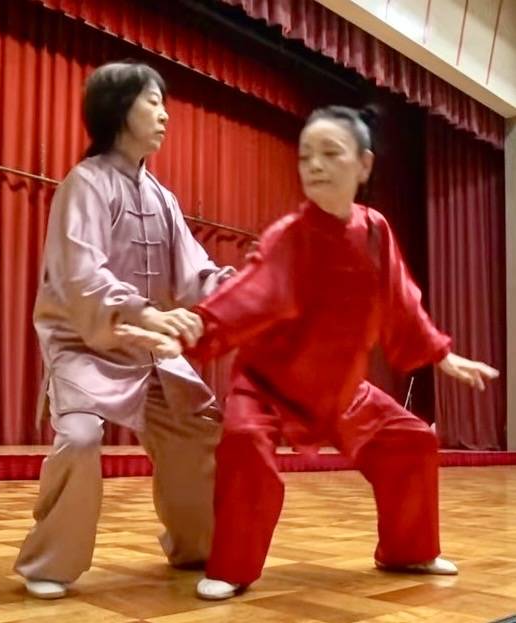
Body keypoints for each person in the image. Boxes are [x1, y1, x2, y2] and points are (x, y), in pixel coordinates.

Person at [115, 105, 499, 600]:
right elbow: (245, 298)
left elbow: (401, 300)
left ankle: (407, 550)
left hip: (338, 389)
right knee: (244, 444)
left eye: (330, 153)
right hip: (267, 385)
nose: (314, 165)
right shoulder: (288, 237)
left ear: (363, 165)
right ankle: (232, 567)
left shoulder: (375, 231)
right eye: (305, 156)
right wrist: (189, 334)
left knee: (411, 441)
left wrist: (442, 354)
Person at [14, 61, 234, 599]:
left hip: (149, 347)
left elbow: (196, 274)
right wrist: (147, 314)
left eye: (163, 103)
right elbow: (82, 277)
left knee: (197, 430)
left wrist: (249, 285)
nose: (164, 115)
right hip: (84, 344)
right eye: (152, 101)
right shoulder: (84, 184)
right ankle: (48, 563)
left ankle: (195, 545)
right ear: (118, 108)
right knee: (80, 438)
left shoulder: (163, 198)